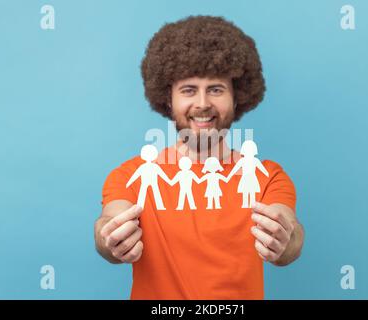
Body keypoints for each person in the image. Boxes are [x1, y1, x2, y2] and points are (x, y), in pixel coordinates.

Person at [94, 15, 304, 299]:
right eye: (189, 90)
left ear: (236, 96)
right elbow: (109, 222)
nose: (203, 104)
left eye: (216, 90)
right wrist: (112, 238)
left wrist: (284, 240)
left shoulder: (266, 176)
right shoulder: (132, 175)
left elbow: (290, 233)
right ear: (169, 99)